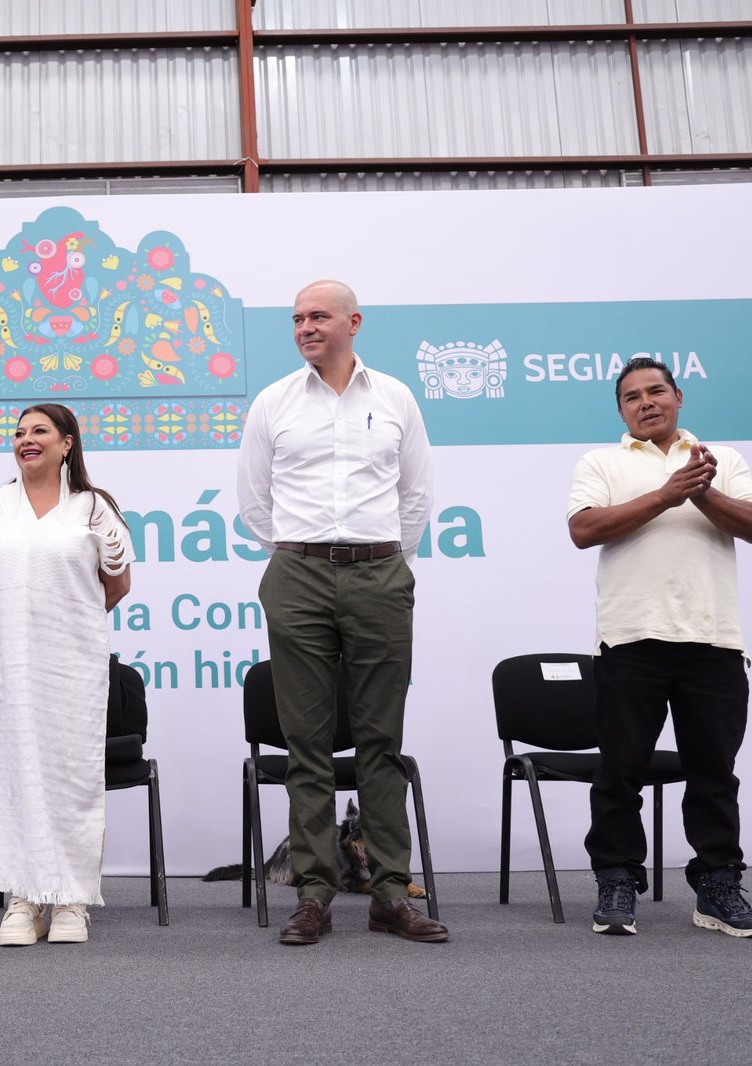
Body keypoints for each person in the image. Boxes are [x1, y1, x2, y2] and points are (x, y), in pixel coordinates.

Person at [236, 279, 449, 946]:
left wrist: (381, 560)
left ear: (352, 323)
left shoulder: (395, 398)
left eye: (319, 316)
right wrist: (305, 555)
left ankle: (390, 894)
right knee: (307, 746)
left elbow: (416, 494)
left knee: (381, 741)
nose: (305, 327)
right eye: (297, 318)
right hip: (297, 572)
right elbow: (254, 501)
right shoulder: (273, 401)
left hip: (379, 573)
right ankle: (314, 895)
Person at [568, 356, 752, 938]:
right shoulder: (601, 462)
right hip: (630, 639)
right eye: (631, 396)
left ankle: (718, 887)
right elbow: (583, 530)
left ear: (678, 397)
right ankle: (616, 881)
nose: (646, 402)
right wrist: (666, 494)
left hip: (714, 640)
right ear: (621, 411)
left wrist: (698, 490)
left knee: (714, 774)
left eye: (656, 391)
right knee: (620, 771)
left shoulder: (718, 459)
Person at [0, 403, 131, 946]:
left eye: (39, 431)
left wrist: (66, 620)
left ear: (67, 443)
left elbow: (117, 585)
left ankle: (70, 900)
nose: (25, 440)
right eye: (18, 433)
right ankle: (22, 898)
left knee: (71, 776)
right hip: (11, 664)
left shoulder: (94, 508)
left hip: (74, 665)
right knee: (15, 776)